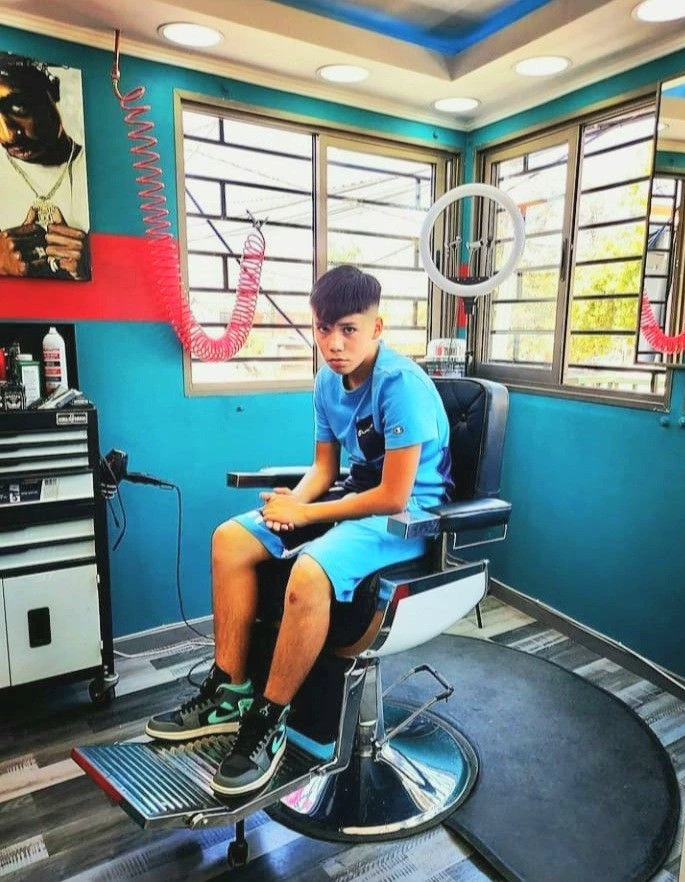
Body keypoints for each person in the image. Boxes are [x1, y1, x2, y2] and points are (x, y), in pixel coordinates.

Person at [146, 265, 453, 796]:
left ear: (377, 328)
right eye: (324, 329)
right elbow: (325, 469)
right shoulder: (327, 382)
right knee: (231, 540)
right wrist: (294, 503)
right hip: (354, 497)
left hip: (407, 517)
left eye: (349, 329)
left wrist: (308, 516)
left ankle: (268, 719)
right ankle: (229, 692)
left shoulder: (401, 385)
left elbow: (393, 496)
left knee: (308, 573)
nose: (334, 344)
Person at [0, 52, 89, 280]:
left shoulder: (99, 172)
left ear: (53, 90)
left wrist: (87, 266)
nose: (8, 135)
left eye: (19, 106)